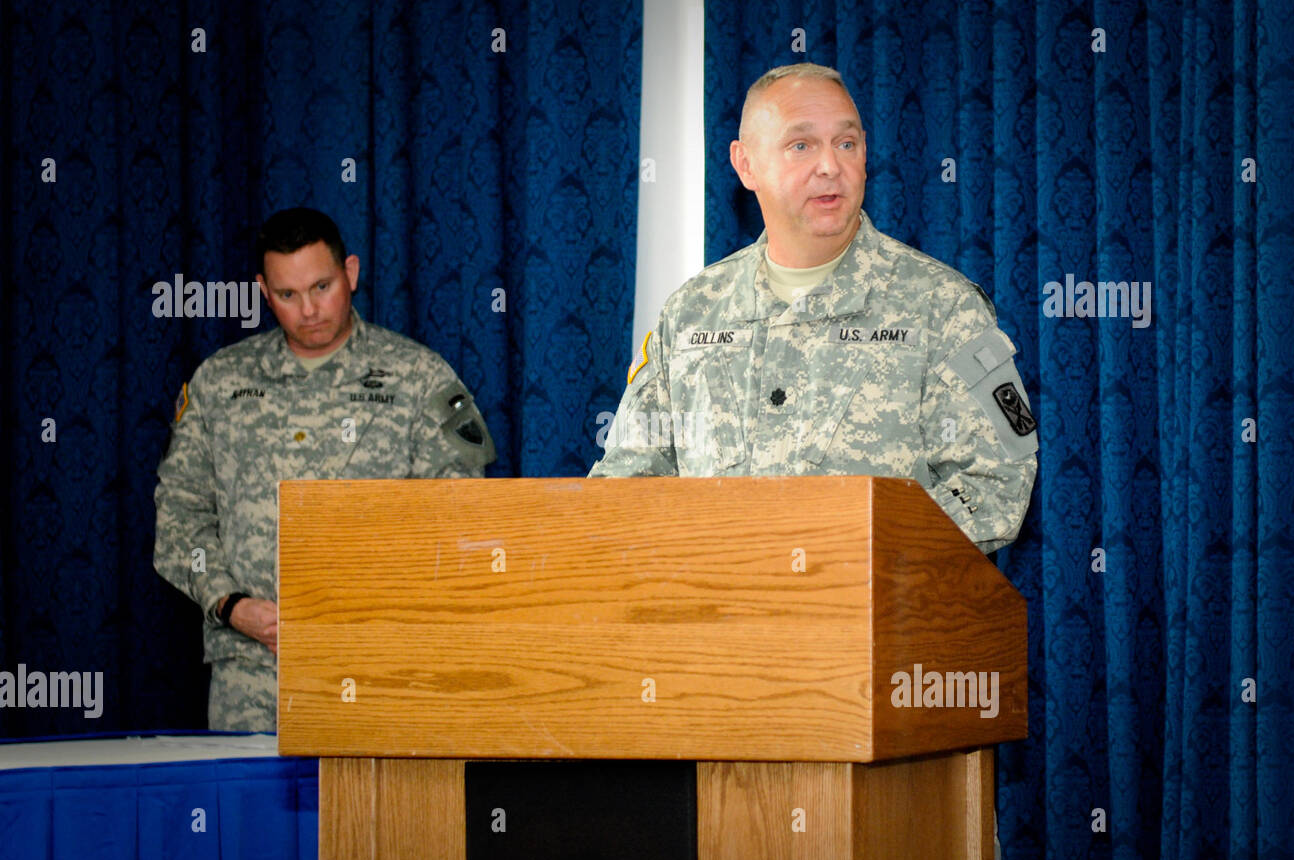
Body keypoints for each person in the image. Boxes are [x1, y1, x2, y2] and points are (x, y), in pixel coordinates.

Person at [590, 63, 1037, 556]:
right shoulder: (694, 312)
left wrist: (847, 550)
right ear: (746, 165)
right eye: (801, 145)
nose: (830, 165)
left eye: (846, 143)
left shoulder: (941, 307)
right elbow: (625, 484)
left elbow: (995, 486)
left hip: (874, 618)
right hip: (720, 619)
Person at [153, 207, 495, 732]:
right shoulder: (221, 383)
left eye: (322, 286)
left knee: (376, 816)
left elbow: (462, 523)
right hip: (252, 672)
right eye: (287, 295)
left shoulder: (418, 378)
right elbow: (181, 517)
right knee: (253, 815)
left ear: (351, 273)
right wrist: (228, 603)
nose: (308, 309)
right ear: (264, 292)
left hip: (381, 666)